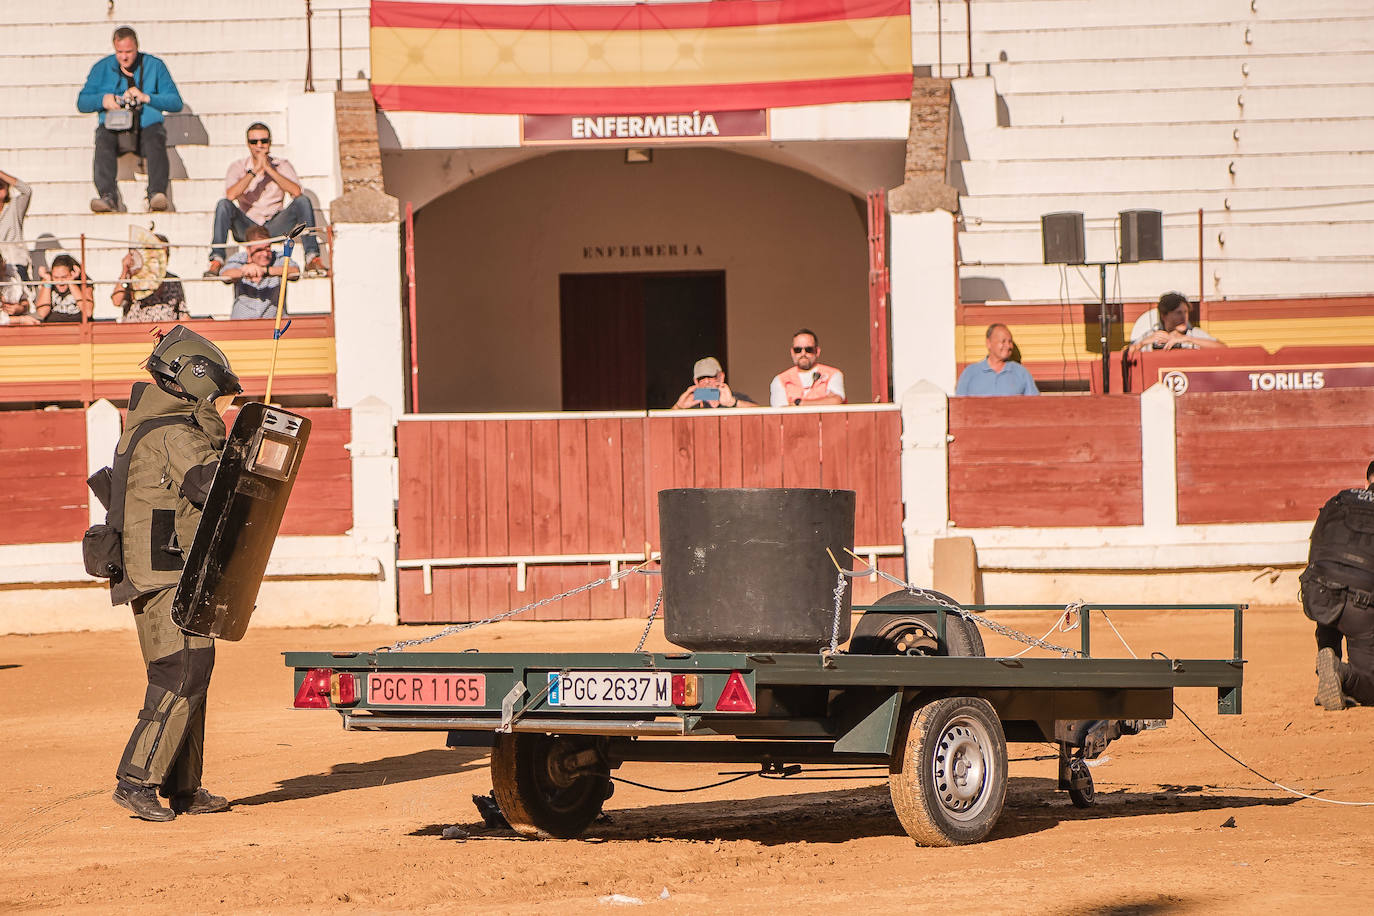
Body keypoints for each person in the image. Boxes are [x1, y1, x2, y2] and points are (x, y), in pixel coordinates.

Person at [107, 327, 241, 821]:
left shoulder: (155, 428)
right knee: (179, 673)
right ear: (195, 381)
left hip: (168, 570)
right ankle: (137, 781)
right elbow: (211, 485)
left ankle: (183, 786)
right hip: (166, 572)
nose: (221, 406)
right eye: (218, 396)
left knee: (192, 672)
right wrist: (248, 450)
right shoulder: (173, 433)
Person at [76, 26, 183, 213]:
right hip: (114, 128)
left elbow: (176, 102)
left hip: (146, 128)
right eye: (119, 52)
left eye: (129, 52)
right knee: (102, 138)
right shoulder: (101, 68)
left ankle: (157, 194)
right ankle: (107, 196)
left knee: (156, 135)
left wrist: (147, 98)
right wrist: (104, 100)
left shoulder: (155, 65)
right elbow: (82, 102)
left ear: (137, 48)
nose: (124, 57)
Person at [204, 123, 326, 278]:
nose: (259, 145)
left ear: (270, 142)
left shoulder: (281, 165)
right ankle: (217, 260)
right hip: (247, 227)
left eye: (264, 141)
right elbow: (230, 195)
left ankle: (312, 258)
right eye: (254, 142)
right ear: (248, 144)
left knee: (303, 201)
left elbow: (296, 192)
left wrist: (269, 169)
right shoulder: (238, 166)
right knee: (223, 205)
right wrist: (254, 171)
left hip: (275, 226)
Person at [1300, 460, 1374, 711]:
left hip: (1319, 593)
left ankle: (1327, 663)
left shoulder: (1340, 501)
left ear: (1367, 482)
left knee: (1330, 600)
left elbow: (1315, 551)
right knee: (1371, 687)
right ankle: (1340, 673)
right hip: (1361, 606)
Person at [220, 226, 300, 319]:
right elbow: (224, 275)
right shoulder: (239, 258)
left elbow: (295, 272)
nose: (265, 254)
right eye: (259, 250)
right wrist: (244, 271)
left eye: (267, 248)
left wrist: (265, 270)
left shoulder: (279, 257)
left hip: (275, 324)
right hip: (241, 324)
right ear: (248, 250)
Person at [113, 233, 188, 323]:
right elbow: (117, 301)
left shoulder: (173, 280)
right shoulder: (134, 277)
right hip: (137, 332)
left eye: (163, 255)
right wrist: (125, 270)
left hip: (166, 333)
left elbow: (182, 313)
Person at [955, 323, 1040, 397]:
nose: (1008, 346)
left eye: (1010, 341)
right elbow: (959, 406)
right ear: (989, 343)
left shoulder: (1021, 373)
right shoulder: (970, 373)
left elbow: (1035, 405)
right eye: (1003, 341)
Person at [1127, 292, 1225, 355]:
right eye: (1178, 313)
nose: (1184, 317)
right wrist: (1143, 343)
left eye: (1185, 312)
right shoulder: (1152, 335)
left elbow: (1223, 348)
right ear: (1164, 316)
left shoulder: (1193, 334)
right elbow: (1124, 356)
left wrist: (1187, 339)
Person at [769, 329, 846, 407]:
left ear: (817, 351)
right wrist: (823, 401)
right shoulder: (780, 379)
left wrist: (799, 403)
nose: (803, 353)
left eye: (808, 349)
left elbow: (836, 401)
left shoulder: (833, 374)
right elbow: (780, 412)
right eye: (798, 350)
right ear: (792, 352)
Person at [672, 356, 757, 409]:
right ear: (695, 381)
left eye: (711, 376)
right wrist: (678, 407)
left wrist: (733, 403)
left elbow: (763, 414)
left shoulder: (734, 398)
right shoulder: (690, 403)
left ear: (721, 377)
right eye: (701, 378)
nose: (706, 381)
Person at [34, 255, 94, 323]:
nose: (60, 282)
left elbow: (88, 312)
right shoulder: (48, 282)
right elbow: (42, 313)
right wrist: (47, 282)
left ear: (72, 273)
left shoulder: (82, 281)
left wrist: (71, 283)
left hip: (79, 327)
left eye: (64, 277)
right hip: (53, 328)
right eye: (56, 277)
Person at [0, 168, 32, 279]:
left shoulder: (15, 206)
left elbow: (26, 191)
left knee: (22, 294)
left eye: (0, 186)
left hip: (16, 260)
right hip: (0, 265)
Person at [0, 250, 39, 326]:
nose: (3, 268)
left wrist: (21, 308)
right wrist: (20, 319)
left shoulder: (12, 275)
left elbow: (26, 300)